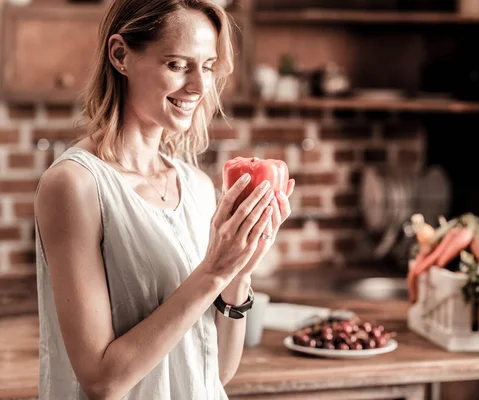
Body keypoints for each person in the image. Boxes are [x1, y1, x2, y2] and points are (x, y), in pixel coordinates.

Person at [33, 0, 294, 399]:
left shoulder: (197, 186)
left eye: (207, 67)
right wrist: (213, 272)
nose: (199, 87)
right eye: (177, 65)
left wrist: (240, 269)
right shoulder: (75, 185)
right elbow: (103, 381)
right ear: (120, 55)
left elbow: (216, 370)